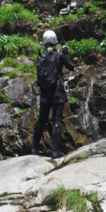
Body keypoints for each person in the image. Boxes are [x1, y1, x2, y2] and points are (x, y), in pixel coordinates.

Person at [32, 30, 75, 159]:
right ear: (56, 41)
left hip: (45, 93)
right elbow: (71, 67)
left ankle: (34, 148)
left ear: (43, 43)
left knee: (42, 120)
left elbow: (39, 77)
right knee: (57, 121)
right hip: (57, 93)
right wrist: (65, 53)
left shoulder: (41, 56)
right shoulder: (59, 56)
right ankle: (55, 151)